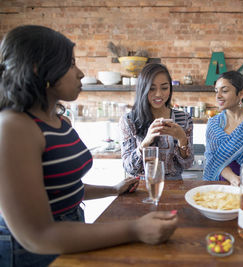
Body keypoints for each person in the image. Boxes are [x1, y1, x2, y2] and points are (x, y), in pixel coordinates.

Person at [0, 25, 177, 267]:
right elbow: (37, 235)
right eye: (71, 63)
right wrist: (134, 229)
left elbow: (61, 187)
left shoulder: (58, 121)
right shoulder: (13, 127)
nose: (81, 73)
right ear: (37, 68)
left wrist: (112, 189)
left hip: (70, 229)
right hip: (30, 252)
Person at [120, 63, 194, 180]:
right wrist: (146, 142)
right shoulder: (129, 120)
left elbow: (188, 164)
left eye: (164, 88)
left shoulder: (184, 119)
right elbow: (129, 168)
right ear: (142, 89)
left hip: (174, 186)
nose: (159, 94)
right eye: (152, 88)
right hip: (142, 188)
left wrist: (182, 139)